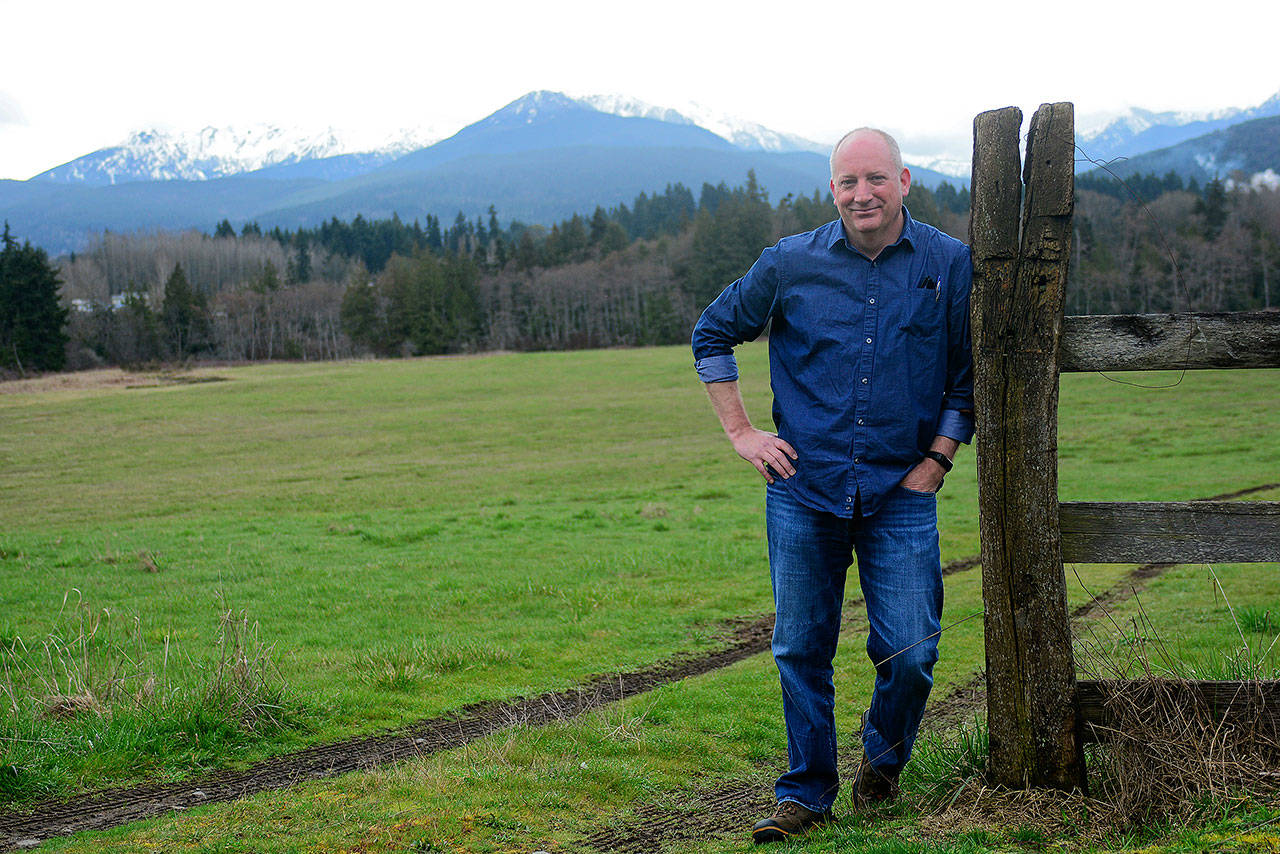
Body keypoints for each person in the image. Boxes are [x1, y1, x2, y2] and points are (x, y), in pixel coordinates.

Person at [690, 128, 973, 844]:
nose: (862, 194)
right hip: (802, 488)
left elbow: (968, 376)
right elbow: (712, 334)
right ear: (831, 191)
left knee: (912, 651)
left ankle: (881, 768)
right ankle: (806, 795)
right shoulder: (789, 263)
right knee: (799, 649)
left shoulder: (949, 263)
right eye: (848, 182)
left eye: (875, 179)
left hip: (899, 492)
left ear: (904, 180)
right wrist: (742, 434)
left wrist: (938, 459)